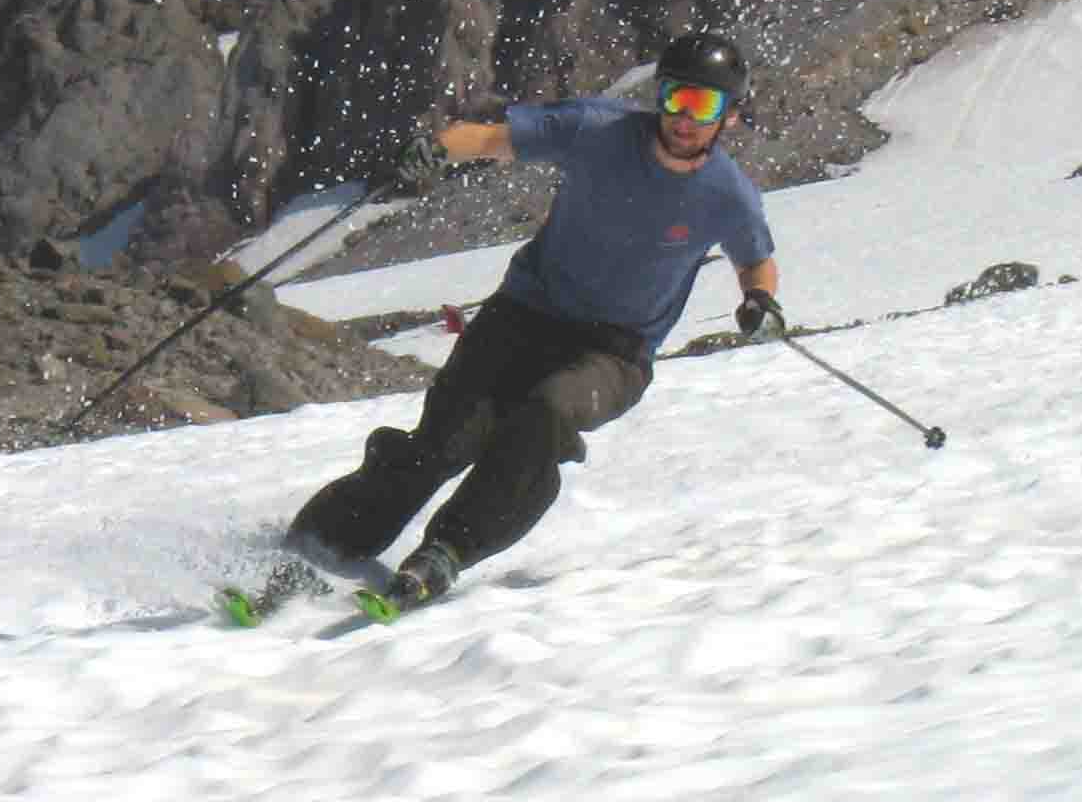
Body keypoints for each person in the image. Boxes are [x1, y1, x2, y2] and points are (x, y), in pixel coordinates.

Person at [286, 31, 785, 607]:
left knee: (544, 419)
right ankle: (316, 547)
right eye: (676, 97)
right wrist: (437, 148)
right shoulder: (596, 131)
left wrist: (759, 301)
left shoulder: (728, 195)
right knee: (442, 443)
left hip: (614, 353)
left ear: (729, 114)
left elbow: (756, 261)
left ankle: (448, 550)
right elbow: (492, 138)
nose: (685, 118)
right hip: (523, 314)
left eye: (705, 105)